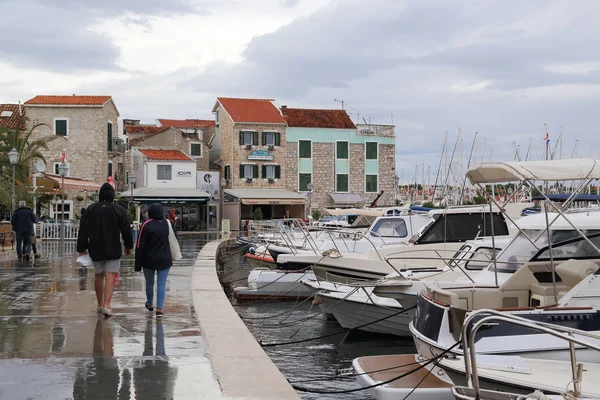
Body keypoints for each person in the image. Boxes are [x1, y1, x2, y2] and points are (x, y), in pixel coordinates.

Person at [77, 183, 133, 318]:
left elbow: (83, 230)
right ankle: (107, 305)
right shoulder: (118, 210)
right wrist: (128, 245)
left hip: (95, 247)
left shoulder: (91, 209)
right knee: (110, 276)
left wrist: (82, 248)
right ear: (113, 196)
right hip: (113, 247)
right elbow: (126, 229)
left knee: (98, 275)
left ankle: (100, 304)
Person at [135, 203, 172, 318]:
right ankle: (160, 308)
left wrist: (137, 264)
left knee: (150, 283)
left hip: (148, 259)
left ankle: (150, 304)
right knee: (161, 284)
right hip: (165, 258)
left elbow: (139, 245)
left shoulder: (146, 225)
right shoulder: (167, 223)